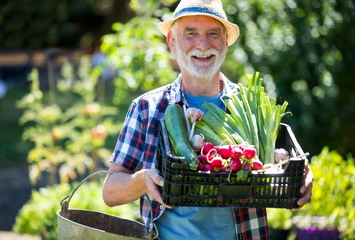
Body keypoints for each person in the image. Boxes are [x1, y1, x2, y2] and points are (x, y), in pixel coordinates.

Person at [102, 0, 314, 239]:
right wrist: (144, 179)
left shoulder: (251, 107)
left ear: (226, 42)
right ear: (172, 42)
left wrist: (300, 178)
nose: (203, 45)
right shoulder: (147, 108)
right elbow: (110, 192)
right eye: (191, 34)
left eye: (213, 34)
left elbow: (274, 169)